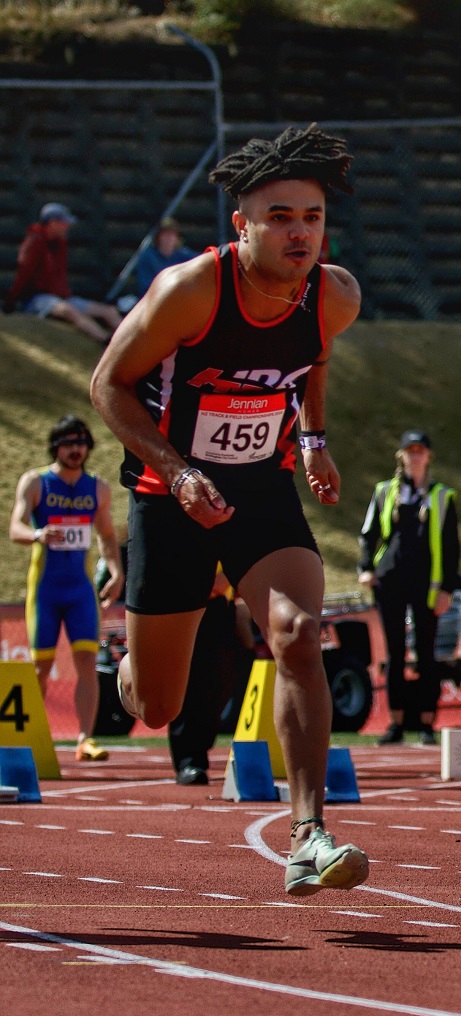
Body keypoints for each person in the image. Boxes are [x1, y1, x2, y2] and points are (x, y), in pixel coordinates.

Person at [89, 124, 370, 897]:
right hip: (169, 496)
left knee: (300, 635)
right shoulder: (190, 291)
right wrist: (177, 474)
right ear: (241, 225)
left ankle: (307, 833)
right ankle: (128, 670)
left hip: (259, 487)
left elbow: (312, 358)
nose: (299, 232)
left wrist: (312, 436)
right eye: (280, 216)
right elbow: (107, 386)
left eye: (311, 217)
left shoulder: (333, 297)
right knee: (158, 705)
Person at [8, 415, 123, 761]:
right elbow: (15, 527)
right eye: (69, 443)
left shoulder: (97, 488)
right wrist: (38, 535)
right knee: (40, 668)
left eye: (82, 443)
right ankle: (30, 733)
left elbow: (106, 536)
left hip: (80, 591)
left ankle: (85, 739)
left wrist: (116, 571)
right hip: (45, 590)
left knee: (87, 661)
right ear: (55, 446)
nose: (76, 450)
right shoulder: (36, 483)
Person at [357, 429, 461, 746]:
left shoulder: (442, 495)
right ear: (401, 456)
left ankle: (428, 724)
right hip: (390, 579)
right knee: (395, 653)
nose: (415, 455)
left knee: (427, 654)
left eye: (420, 450)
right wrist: (366, 568)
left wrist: (447, 588)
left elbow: (452, 545)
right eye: (409, 450)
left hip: (427, 583)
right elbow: (368, 532)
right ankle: (396, 723)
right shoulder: (384, 491)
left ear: (428, 456)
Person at [167, 568, 255, 784]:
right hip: (181, 601)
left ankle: (200, 746)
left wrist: (227, 578)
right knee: (186, 679)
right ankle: (189, 759)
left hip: (219, 603)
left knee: (219, 678)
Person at [4, 203, 123, 342]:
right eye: (63, 223)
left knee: (109, 311)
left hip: (61, 296)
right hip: (37, 298)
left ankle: (132, 341)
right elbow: (23, 274)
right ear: (52, 223)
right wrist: (11, 302)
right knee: (68, 310)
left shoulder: (60, 244)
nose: (67, 227)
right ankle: (105, 340)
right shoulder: (34, 242)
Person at [116, 217, 199, 314]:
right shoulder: (147, 257)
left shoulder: (184, 254)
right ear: (158, 237)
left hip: (179, 301)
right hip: (154, 305)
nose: (168, 238)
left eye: (172, 234)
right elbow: (145, 287)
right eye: (165, 234)